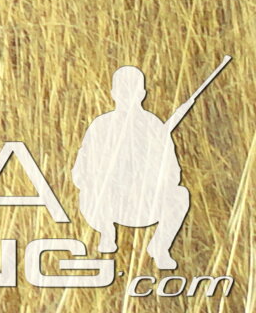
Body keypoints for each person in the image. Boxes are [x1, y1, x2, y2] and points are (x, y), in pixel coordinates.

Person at [73, 67, 192, 270]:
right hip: (109, 204)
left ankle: (160, 247)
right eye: (123, 91)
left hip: (145, 204)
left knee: (180, 196)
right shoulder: (101, 126)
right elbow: (80, 172)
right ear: (113, 94)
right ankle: (106, 233)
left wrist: (150, 178)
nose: (128, 97)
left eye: (133, 91)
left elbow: (173, 173)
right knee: (90, 192)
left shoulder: (154, 127)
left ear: (142, 94)